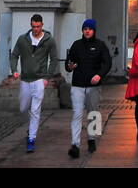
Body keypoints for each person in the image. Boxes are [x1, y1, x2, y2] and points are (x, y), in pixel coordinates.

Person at [64, 18, 112, 158]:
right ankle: (75, 145)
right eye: (85, 29)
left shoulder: (100, 45)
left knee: (93, 113)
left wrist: (99, 75)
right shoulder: (76, 45)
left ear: (94, 30)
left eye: (89, 29)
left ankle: (92, 139)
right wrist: (69, 66)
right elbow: (69, 62)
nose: (87, 31)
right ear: (82, 30)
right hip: (78, 85)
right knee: (77, 114)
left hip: (93, 86)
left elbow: (107, 63)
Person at [9, 14, 55, 153]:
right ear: (31, 25)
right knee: (23, 108)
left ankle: (31, 139)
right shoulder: (23, 39)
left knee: (35, 110)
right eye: (33, 26)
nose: (36, 29)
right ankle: (31, 126)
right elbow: (14, 55)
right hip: (25, 79)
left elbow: (53, 59)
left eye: (38, 26)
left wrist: (47, 77)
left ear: (42, 25)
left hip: (39, 79)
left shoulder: (49, 40)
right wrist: (14, 70)